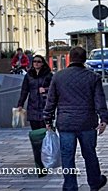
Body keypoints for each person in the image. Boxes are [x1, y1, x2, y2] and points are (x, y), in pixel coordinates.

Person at [43, 46, 108, 191]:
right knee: (90, 154)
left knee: (67, 157)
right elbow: (99, 100)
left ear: (70, 58)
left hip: (66, 123)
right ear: (85, 59)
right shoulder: (93, 77)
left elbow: (51, 100)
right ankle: (95, 182)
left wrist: (48, 119)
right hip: (87, 123)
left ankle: (70, 186)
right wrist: (104, 119)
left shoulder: (58, 76)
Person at [18, 54, 54, 175]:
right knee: (36, 139)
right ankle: (39, 165)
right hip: (33, 109)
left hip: (45, 110)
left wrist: (46, 90)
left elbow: (55, 90)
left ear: (43, 63)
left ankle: (47, 161)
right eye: (34, 62)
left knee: (45, 138)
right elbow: (24, 90)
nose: (36, 64)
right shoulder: (29, 76)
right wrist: (20, 104)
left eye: (39, 62)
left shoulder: (49, 75)